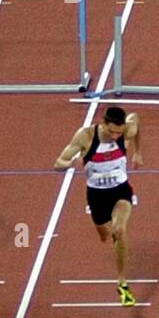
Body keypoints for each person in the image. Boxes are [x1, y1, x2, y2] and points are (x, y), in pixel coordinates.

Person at [54, 106, 141, 306]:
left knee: (119, 231)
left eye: (119, 133)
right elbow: (57, 164)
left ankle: (122, 283)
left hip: (121, 191)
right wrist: (70, 164)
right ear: (102, 124)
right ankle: (115, 239)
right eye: (111, 132)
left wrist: (138, 152)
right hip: (96, 196)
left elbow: (136, 118)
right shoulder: (85, 137)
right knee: (105, 236)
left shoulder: (127, 131)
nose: (115, 136)